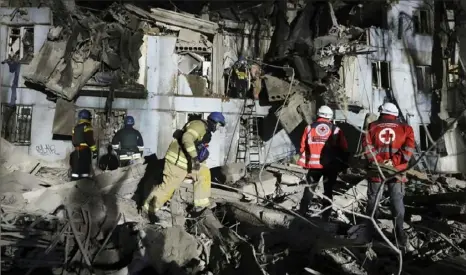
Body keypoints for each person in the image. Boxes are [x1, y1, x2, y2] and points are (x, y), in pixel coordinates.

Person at [142, 112, 226, 214]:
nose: (218, 128)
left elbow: (197, 147)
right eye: (218, 125)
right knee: (167, 189)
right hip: (176, 162)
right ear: (214, 122)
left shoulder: (205, 131)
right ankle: (148, 210)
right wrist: (195, 158)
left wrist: (200, 162)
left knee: (204, 172)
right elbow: (187, 138)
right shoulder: (199, 125)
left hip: (186, 162)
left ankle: (200, 205)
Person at [362, 102, 415, 247]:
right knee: (396, 200)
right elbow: (409, 149)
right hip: (397, 171)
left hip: (376, 169)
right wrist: (394, 162)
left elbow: (367, 147)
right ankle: (399, 235)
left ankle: (370, 233)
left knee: (373, 199)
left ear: (381, 112)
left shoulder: (371, 126)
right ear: (396, 114)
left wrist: (379, 162)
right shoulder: (406, 128)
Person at [297, 105, 348, 220]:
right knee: (328, 191)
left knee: (309, 190)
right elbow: (344, 147)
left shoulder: (309, 128)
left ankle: (301, 214)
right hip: (330, 166)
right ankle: (326, 217)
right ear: (330, 116)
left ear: (318, 114)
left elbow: (301, 148)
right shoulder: (336, 129)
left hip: (314, 166)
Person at [70, 109, 97, 180]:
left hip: (76, 150)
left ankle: (74, 182)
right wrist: (94, 151)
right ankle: (84, 183)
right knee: (84, 168)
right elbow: (90, 140)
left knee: (76, 168)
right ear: (88, 117)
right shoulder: (87, 126)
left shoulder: (75, 127)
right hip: (85, 151)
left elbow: (73, 140)